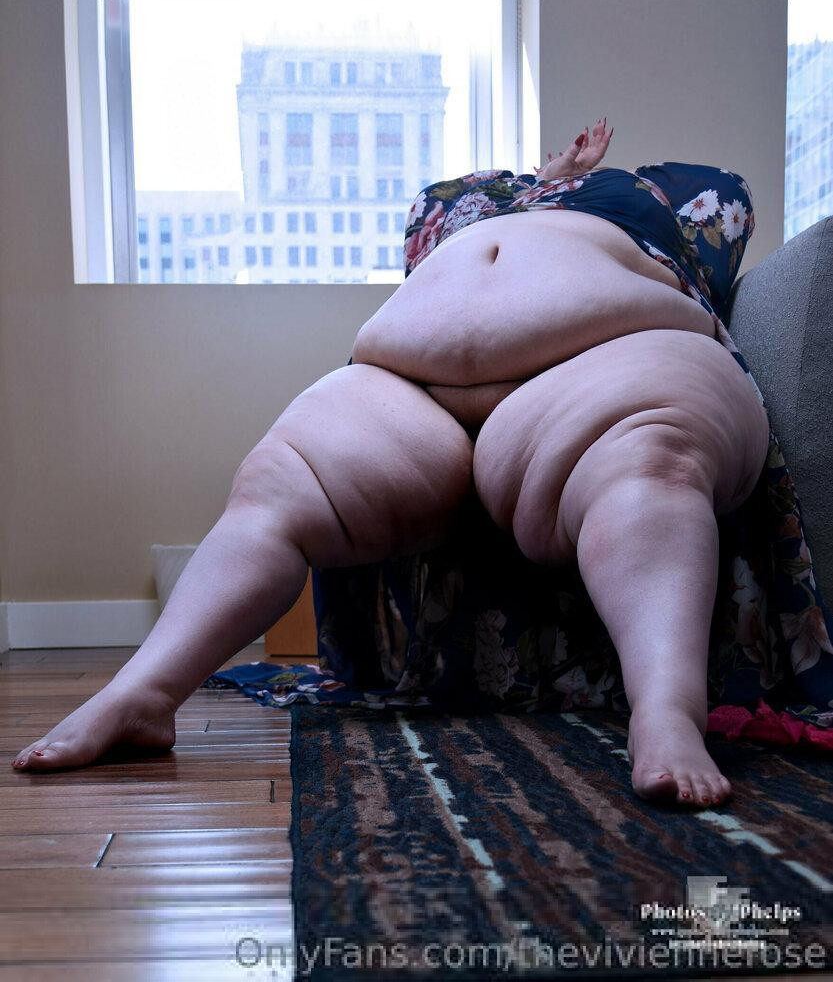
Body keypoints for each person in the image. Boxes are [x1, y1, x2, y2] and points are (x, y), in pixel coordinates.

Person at [8, 120, 797, 809]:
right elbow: (463, 211)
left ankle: (665, 712)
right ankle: (144, 694)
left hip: (614, 349)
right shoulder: (460, 212)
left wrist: (591, 188)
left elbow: (715, 236)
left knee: (648, 462)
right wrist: (541, 183)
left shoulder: (662, 206)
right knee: (275, 488)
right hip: (406, 379)